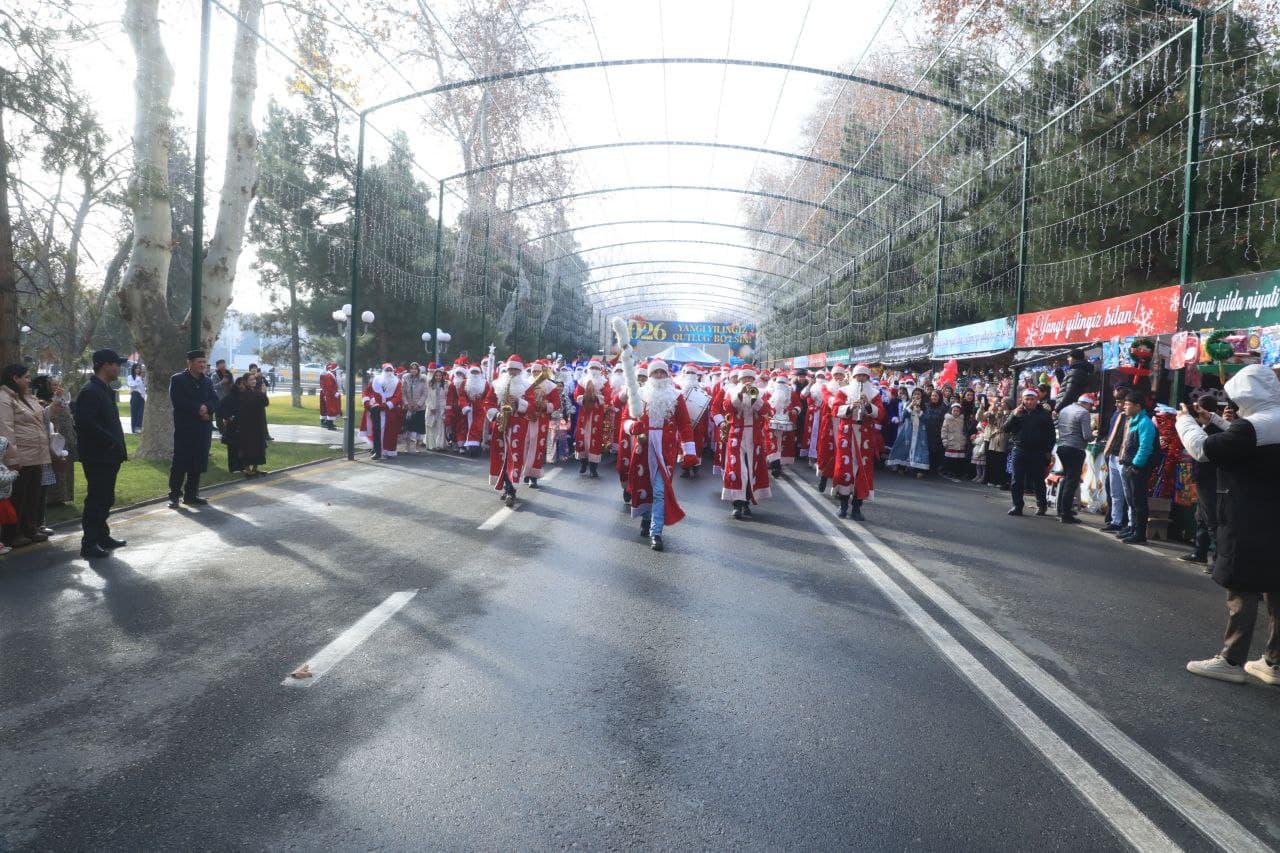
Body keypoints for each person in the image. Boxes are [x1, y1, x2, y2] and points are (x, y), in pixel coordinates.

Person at [1177, 365, 1280, 686]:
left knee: (1242, 586)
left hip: (1249, 518)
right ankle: (1274, 663)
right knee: (1276, 588)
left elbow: (1203, 450)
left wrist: (1184, 422)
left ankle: (1231, 660)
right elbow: (1246, 444)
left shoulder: (1253, 426)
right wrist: (1217, 422)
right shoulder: (1265, 423)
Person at [622, 359, 696, 552]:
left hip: (666, 450)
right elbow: (625, 419)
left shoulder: (676, 396)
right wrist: (632, 426)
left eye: (662, 373)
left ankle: (657, 533)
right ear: (650, 375)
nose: (659, 376)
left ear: (668, 375)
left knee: (660, 490)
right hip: (644, 447)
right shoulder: (639, 395)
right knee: (645, 486)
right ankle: (646, 519)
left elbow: (685, 425)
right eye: (656, 373)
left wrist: (689, 451)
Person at [74, 350, 130, 559]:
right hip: (98, 456)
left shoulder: (105, 389)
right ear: (105, 365)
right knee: (97, 499)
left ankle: (101, 536)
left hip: (109, 455)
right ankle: (89, 544)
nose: (118, 368)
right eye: (116, 364)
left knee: (106, 498)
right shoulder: (90, 391)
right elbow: (85, 424)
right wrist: (110, 442)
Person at [0, 365, 53, 547]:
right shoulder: (4, 398)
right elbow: (6, 429)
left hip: (36, 454)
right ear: (15, 378)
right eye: (26, 377)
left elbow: (39, 418)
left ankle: (29, 528)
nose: (29, 380)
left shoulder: (26, 396)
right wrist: (12, 459)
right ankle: (12, 534)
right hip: (21, 455)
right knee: (18, 496)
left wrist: (56, 405)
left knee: (32, 495)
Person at [832, 363, 884, 520]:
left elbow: (881, 414)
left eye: (864, 376)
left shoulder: (874, 393)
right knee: (844, 469)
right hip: (847, 435)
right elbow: (835, 409)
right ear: (853, 377)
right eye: (858, 376)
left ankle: (857, 507)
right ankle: (843, 505)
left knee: (863, 471)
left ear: (868, 378)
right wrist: (849, 407)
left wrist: (868, 406)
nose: (861, 379)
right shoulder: (843, 391)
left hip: (864, 436)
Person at [168, 350, 219, 508]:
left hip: (202, 428)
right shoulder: (178, 380)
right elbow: (178, 401)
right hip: (185, 428)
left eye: (204, 362)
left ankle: (191, 495)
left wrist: (207, 408)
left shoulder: (207, 381)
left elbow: (214, 399)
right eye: (199, 362)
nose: (202, 365)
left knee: (198, 461)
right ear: (189, 363)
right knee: (180, 462)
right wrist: (198, 409)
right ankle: (174, 494)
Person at [721, 364, 773, 519]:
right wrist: (739, 396)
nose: (747, 381)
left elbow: (767, 411)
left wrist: (754, 397)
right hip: (736, 434)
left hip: (754, 435)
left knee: (752, 469)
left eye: (750, 378)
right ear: (740, 379)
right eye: (744, 378)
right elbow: (727, 408)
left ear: (754, 379)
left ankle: (746, 503)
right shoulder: (731, 391)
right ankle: (737, 503)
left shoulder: (761, 392)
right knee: (738, 470)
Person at [485, 356, 535, 507]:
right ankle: (506, 487)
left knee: (514, 457)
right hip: (501, 422)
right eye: (510, 369)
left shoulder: (527, 386)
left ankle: (511, 490)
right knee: (502, 456)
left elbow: (532, 409)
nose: (512, 372)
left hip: (518, 425)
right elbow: (488, 402)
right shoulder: (496, 384)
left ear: (520, 371)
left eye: (515, 369)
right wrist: (496, 414)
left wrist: (519, 402)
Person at [1113, 394, 1157, 544]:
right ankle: (1133, 529)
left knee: (1139, 502)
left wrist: (1136, 465)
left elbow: (1145, 447)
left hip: (1137, 468)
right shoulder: (1133, 421)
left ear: (1138, 406)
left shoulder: (1145, 423)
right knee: (1131, 500)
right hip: (1128, 465)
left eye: (1128, 403)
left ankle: (1140, 534)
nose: (1124, 406)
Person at [1003, 388, 1055, 516]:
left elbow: (1051, 435)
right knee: (1017, 480)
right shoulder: (1017, 412)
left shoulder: (1044, 413)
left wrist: (1048, 451)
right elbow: (1005, 429)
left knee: (1038, 480)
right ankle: (1017, 505)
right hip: (1019, 450)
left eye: (1032, 399)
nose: (1029, 402)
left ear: (1037, 400)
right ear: (1023, 400)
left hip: (1038, 452)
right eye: (1027, 399)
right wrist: (1014, 415)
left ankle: (1041, 505)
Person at [1054, 392, 1097, 524]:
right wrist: (1094, 434)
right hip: (1075, 448)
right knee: (1072, 481)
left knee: (1067, 478)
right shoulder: (1083, 413)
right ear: (1087, 403)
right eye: (1091, 405)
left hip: (1061, 447)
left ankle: (1062, 508)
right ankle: (1066, 513)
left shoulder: (1065, 409)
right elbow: (1086, 436)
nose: (1091, 409)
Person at [35, 375, 77, 508]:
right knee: (54, 468)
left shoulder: (62, 399)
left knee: (65, 467)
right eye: (54, 385)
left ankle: (64, 496)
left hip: (66, 439)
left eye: (59, 385)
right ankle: (51, 499)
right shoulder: (41, 402)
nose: (58, 388)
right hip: (53, 439)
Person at [1100, 385, 1132, 533]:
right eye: (1118, 402)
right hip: (1113, 455)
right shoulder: (1117, 415)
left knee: (1128, 494)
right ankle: (1115, 520)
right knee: (1115, 491)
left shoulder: (1135, 419)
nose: (1118, 405)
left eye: (1121, 402)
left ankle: (1131, 524)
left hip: (1124, 457)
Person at [522, 361, 560, 488]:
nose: (536, 373)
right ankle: (526, 472)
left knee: (538, 447)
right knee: (525, 446)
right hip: (526, 419)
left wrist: (546, 405)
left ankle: (534, 476)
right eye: (534, 371)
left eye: (538, 371)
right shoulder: (525, 384)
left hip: (541, 419)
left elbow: (556, 403)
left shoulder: (550, 386)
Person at [573, 357, 609, 477]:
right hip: (584, 414)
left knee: (595, 440)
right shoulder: (582, 381)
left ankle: (593, 468)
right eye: (592, 368)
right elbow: (576, 395)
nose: (594, 370)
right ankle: (583, 463)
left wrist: (597, 397)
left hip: (597, 415)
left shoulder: (604, 382)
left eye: (596, 368)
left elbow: (608, 397)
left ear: (600, 370)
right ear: (588, 369)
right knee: (581, 438)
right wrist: (585, 397)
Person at [360, 363, 404, 460]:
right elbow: (367, 391)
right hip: (376, 409)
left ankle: (388, 451)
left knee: (389, 432)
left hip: (390, 411)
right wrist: (367, 402)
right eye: (387, 370)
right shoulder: (376, 380)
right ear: (383, 371)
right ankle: (377, 451)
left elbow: (398, 397)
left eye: (390, 370)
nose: (388, 372)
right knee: (376, 430)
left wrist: (387, 406)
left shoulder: (397, 382)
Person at [887, 387, 930, 477]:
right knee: (904, 446)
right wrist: (910, 406)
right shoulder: (908, 403)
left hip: (919, 431)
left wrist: (920, 411)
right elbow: (903, 416)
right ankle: (901, 466)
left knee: (920, 448)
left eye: (918, 394)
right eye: (915, 394)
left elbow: (927, 419)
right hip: (908, 429)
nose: (916, 396)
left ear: (921, 396)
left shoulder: (925, 405)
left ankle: (919, 469)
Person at [455, 363, 489, 457]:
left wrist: (485, 406)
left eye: (476, 372)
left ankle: (474, 447)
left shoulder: (485, 383)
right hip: (467, 409)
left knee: (477, 427)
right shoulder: (464, 383)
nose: (474, 374)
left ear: (480, 373)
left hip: (480, 409)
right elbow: (462, 396)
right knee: (464, 427)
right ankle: (464, 445)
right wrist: (464, 406)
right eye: (472, 372)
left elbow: (487, 397)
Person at [979, 398, 1010, 487]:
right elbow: (980, 418)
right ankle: (991, 480)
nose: (1001, 405)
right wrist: (982, 409)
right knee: (992, 461)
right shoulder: (994, 414)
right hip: (993, 439)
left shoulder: (1009, 414)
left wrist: (1002, 413)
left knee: (1001, 461)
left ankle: (999, 481)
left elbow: (1006, 425)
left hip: (1003, 439)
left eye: (1003, 403)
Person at [400, 363, 428, 453]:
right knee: (408, 427)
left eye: (415, 369)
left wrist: (418, 404)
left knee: (418, 427)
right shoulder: (406, 379)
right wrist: (406, 404)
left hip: (419, 407)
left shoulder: (423, 379)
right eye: (412, 369)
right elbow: (403, 393)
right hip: (408, 407)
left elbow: (425, 394)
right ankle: (407, 446)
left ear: (418, 370)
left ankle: (417, 446)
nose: (413, 370)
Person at [423, 366, 449, 450]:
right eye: (436, 375)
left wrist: (445, 408)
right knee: (430, 426)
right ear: (434, 376)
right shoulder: (429, 384)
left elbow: (446, 397)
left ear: (442, 376)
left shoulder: (445, 384)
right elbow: (426, 396)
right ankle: (431, 445)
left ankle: (440, 445)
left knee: (440, 426)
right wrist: (431, 407)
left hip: (441, 408)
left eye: (440, 376)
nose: (438, 377)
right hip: (431, 407)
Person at [941, 401, 968, 482]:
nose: (956, 412)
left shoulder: (962, 419)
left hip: (960, 442)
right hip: (951, 441)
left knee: (958, 459)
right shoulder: (947, 419)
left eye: (957, 411)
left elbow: (965, 430)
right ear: (951, 411)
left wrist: (964, 439)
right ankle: (949, 472)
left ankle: (957, 473)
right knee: (950, 459)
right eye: (954, 410)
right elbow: (944, 430)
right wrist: (944, 440)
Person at [922, 389, 947, 475]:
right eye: (932, 395)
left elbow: (944, 421)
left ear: (940, 397)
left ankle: (934, 468)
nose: (934, 397)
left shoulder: (943, 408)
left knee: (935, 451)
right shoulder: (927, 406)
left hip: (937, 432)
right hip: (926, 431)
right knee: (926, 450)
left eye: (936, 396)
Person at [319, 362, 341, 430]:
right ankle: (329, 425)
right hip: (330, 395)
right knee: (331, 409)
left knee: (329, 409)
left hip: (330, 395)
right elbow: (329, 387)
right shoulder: (329, 376)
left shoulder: (330, 375)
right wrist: (334, 393)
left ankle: (328, 423)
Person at [126, 363, 147, 433]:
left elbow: (143, 388)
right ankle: (134, 429)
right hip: (134, 395)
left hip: (141, 397)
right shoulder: (130, 377)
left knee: (141, 413)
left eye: (139, 368)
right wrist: (138, 379)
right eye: (136, 368)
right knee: (134, 413)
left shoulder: (141, 377)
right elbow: (132, 385)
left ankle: (138, 428)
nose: (138, 369)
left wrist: (143, 396)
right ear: (133, 369)